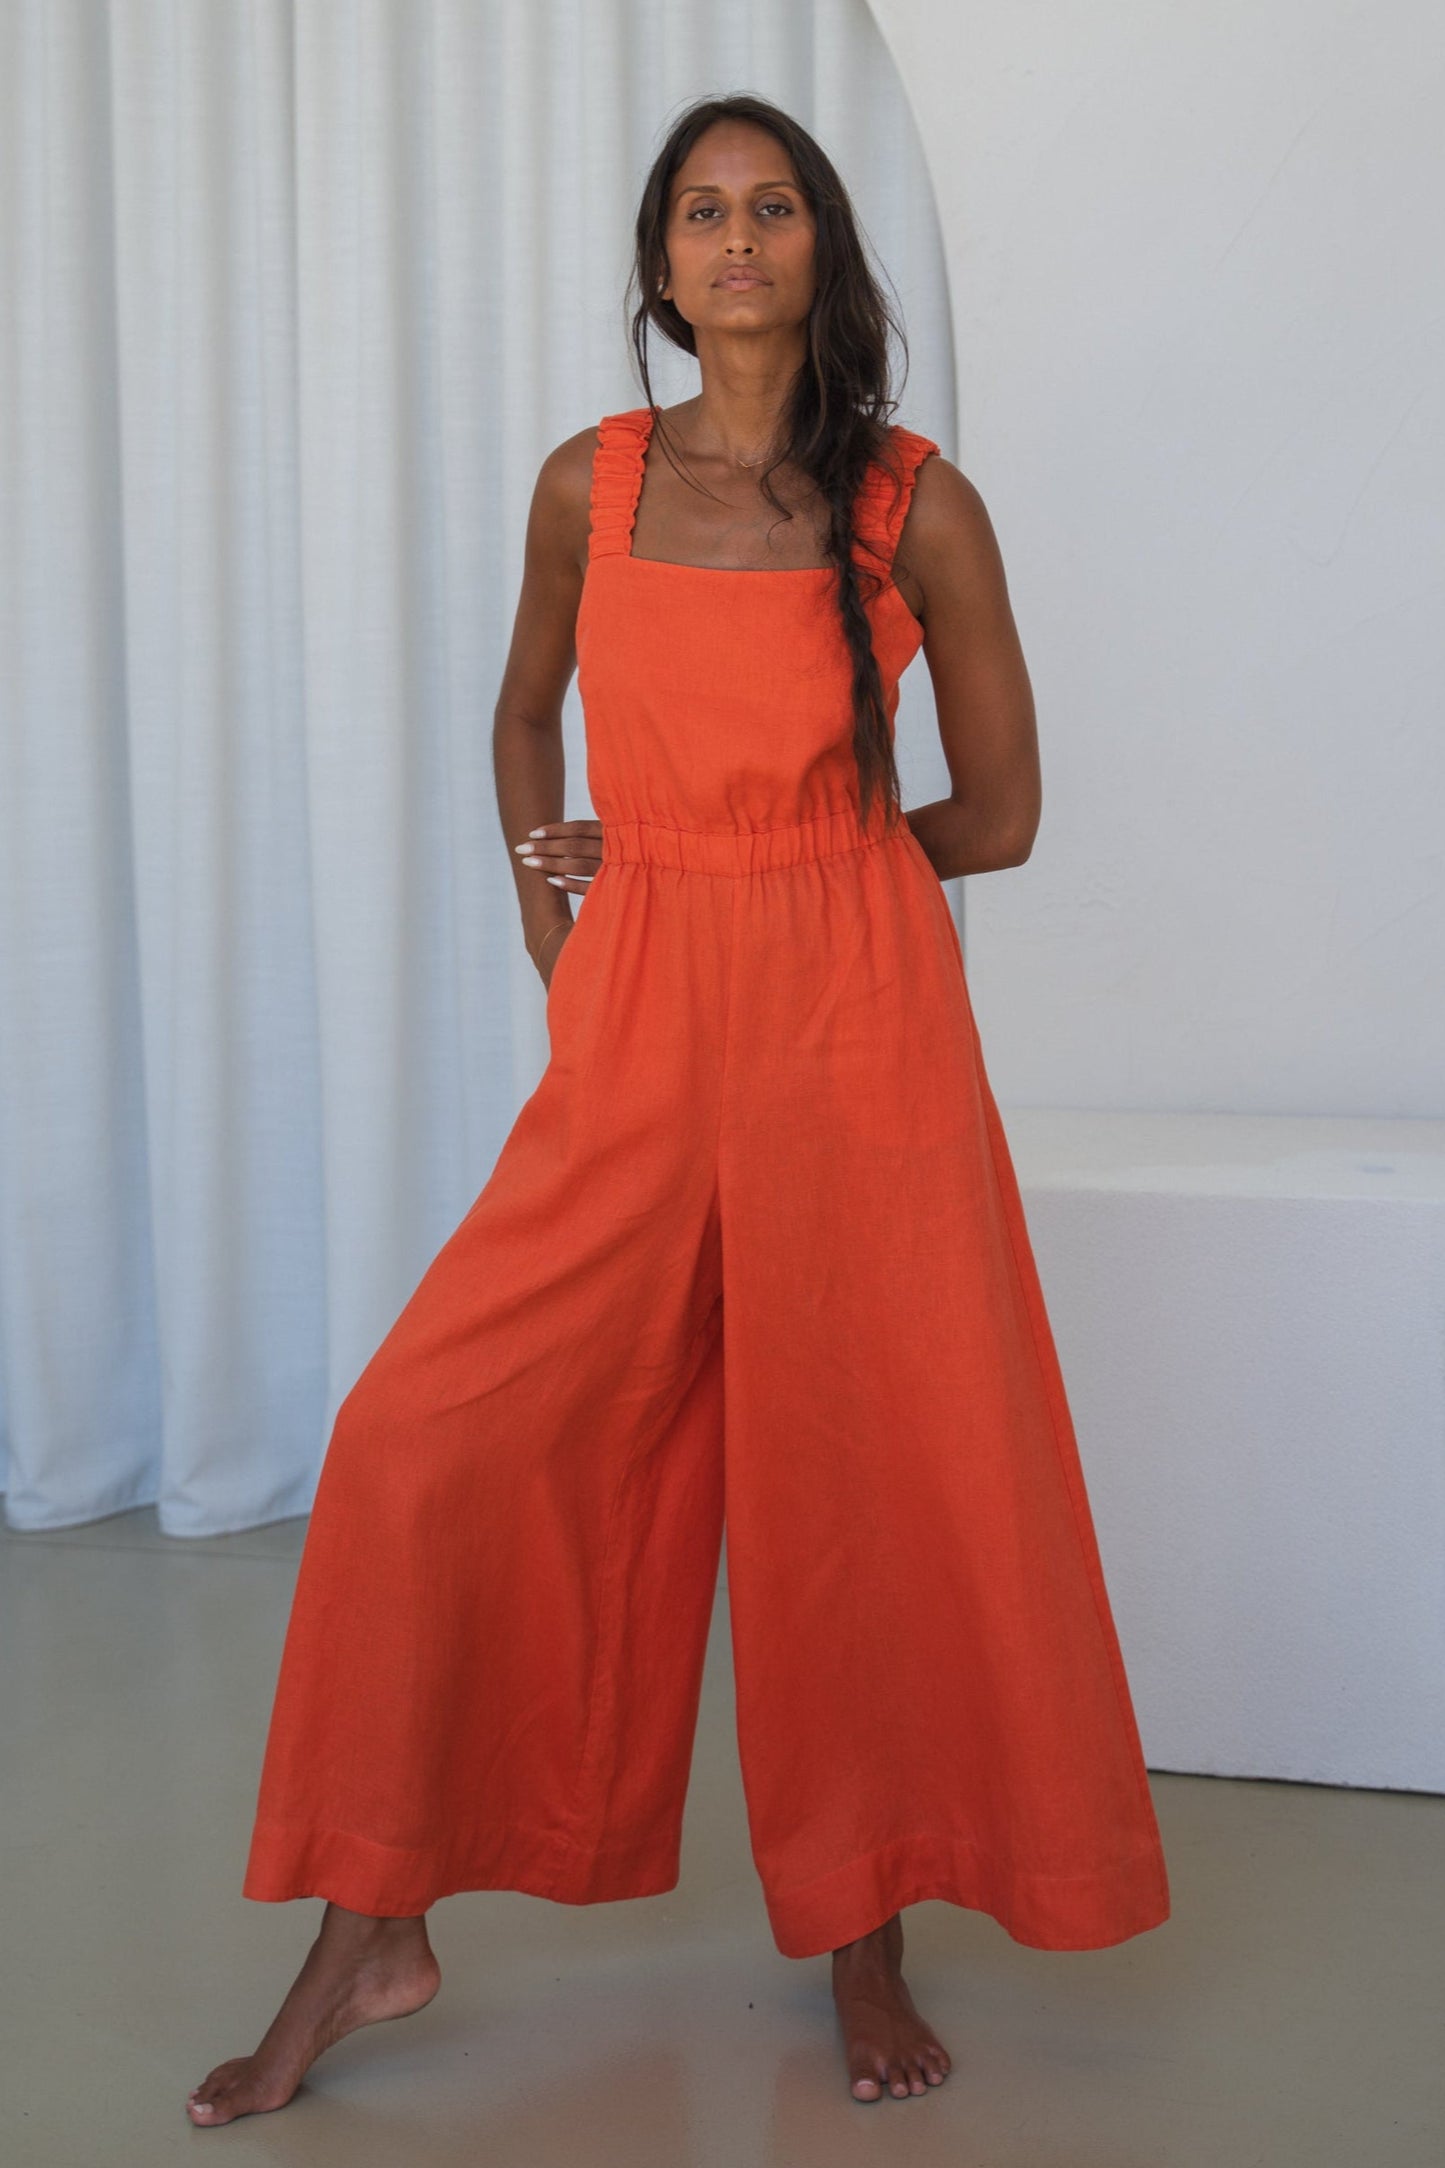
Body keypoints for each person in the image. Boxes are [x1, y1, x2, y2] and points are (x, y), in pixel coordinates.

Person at [187, 92, 1170, 2129]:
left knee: (867, 1477)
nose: (739, 240)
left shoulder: (916, 503)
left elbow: (1000, 810)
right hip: (641, 1020)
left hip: (855, 1027)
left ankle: (868, 1931)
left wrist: (808, 864)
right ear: (659, 264)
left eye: (776, 207)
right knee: (420, 1433)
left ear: (824, 251)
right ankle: (373, 1922)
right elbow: (519, 706)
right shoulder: (590, 485)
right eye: (704, 213)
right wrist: (565, 903)